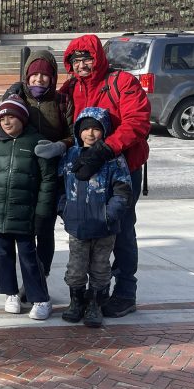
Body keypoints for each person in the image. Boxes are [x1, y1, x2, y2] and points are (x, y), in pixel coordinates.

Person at [59, 34, 150, 318]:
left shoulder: (122, 83)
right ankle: (93, 291)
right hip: (84, 172)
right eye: (76, 59)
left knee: (119, 229)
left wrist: (104, 149)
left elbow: (137, 122)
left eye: (87, 58)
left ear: (98, 58)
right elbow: (50, 113)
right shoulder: (71, 87)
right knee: (87, 231)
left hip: (120, 169)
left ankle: (125, 291)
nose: (82, 64)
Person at [0, 50, 74, 286]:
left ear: (52, 77)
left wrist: (60, 146)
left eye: (45, 75)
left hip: (49, 174)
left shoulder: (61, 102)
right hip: (19, 174)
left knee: (44, 228)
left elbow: (72, 134)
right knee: (20, 234)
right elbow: (2, 128)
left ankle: (40, 279)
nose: (39, 80)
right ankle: (22, 283)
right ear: (27, 75)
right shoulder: (17, 96)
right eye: (34, 74)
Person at [0, 96, 56, 321]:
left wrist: (42, 213)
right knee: (2, 255)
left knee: (29, 257)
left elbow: (48, 181)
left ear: (22, 118)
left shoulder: (36, 142)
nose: (6, 122)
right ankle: (11, 294)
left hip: (25, 214)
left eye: (11, 117)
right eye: (2, 118)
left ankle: (40, 298)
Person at [57, 107, 133, 328]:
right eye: (86, 128)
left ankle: (96, 303)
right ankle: (76, 301)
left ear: (104, 131)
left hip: (104, 226)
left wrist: (109, 215)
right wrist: (65, 210)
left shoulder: (114, 159)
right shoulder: (70, 156)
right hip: (77, 225)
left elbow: (122, 190)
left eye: (96, 129)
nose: (90, 133)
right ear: (78, 131)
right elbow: (60, 187)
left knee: (100, 267)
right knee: (76, 267)